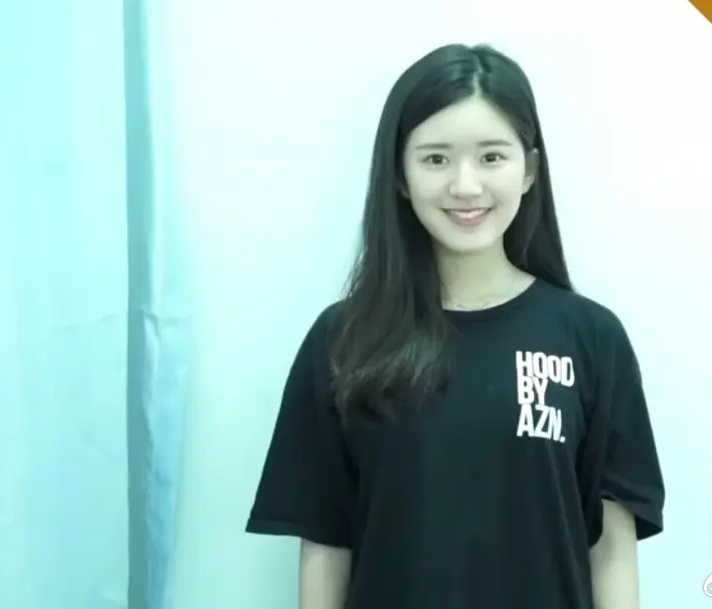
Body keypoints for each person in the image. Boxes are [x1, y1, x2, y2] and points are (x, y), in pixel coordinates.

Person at [246, 42, 664, 609]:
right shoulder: (343, 340)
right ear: (400, 175)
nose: (465, 186)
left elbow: (611, 548)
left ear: (529, 170)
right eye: (436, 159)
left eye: (491, 157)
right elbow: (325, 542)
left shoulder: (591, 339)